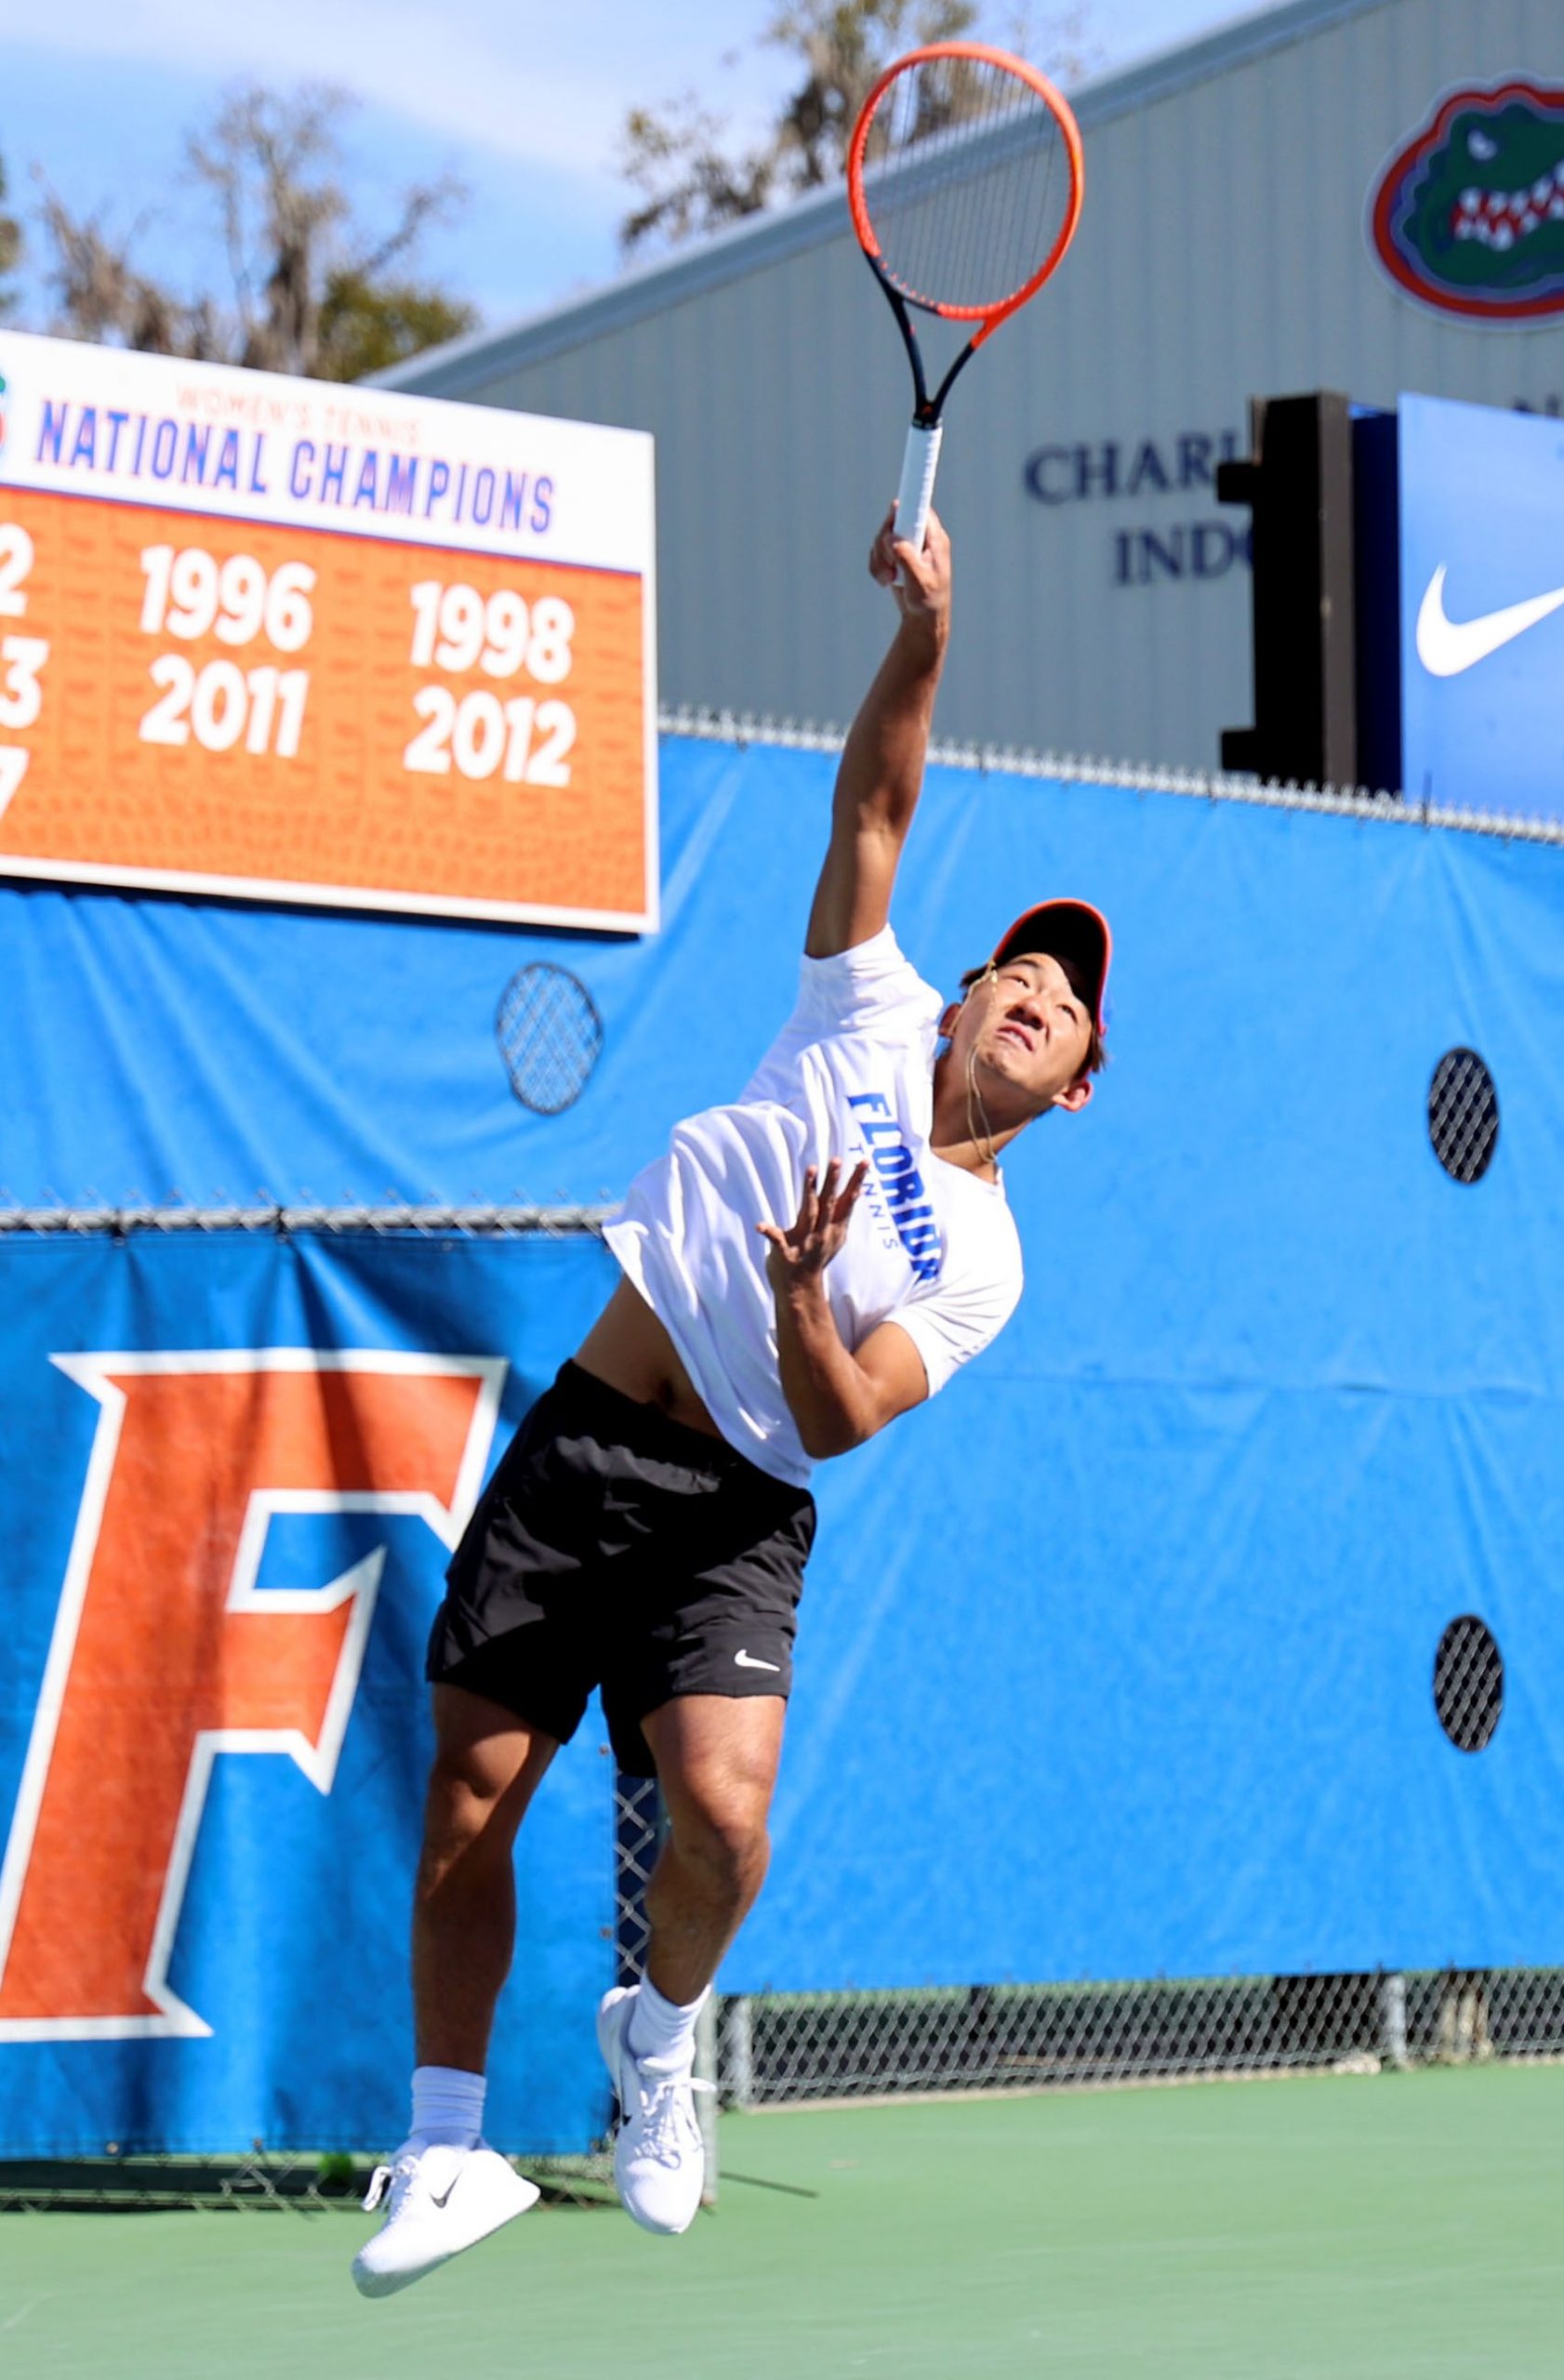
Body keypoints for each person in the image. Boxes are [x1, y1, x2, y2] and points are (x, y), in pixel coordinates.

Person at [352, 508, 1111, 2296]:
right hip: (586, 1449)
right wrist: (927, 632)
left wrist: (791, 1303)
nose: (1034, 994)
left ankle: (661, 2048)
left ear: (1076, 1088)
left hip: (738, 1518)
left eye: (1069, 1006)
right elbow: (876, 800)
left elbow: (845, 1420)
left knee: (726, 1823)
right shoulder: (862, 1006)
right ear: (965, 994)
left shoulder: (988, 1265)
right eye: (1022, 966)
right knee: (468, 1801)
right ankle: (448, 2152)